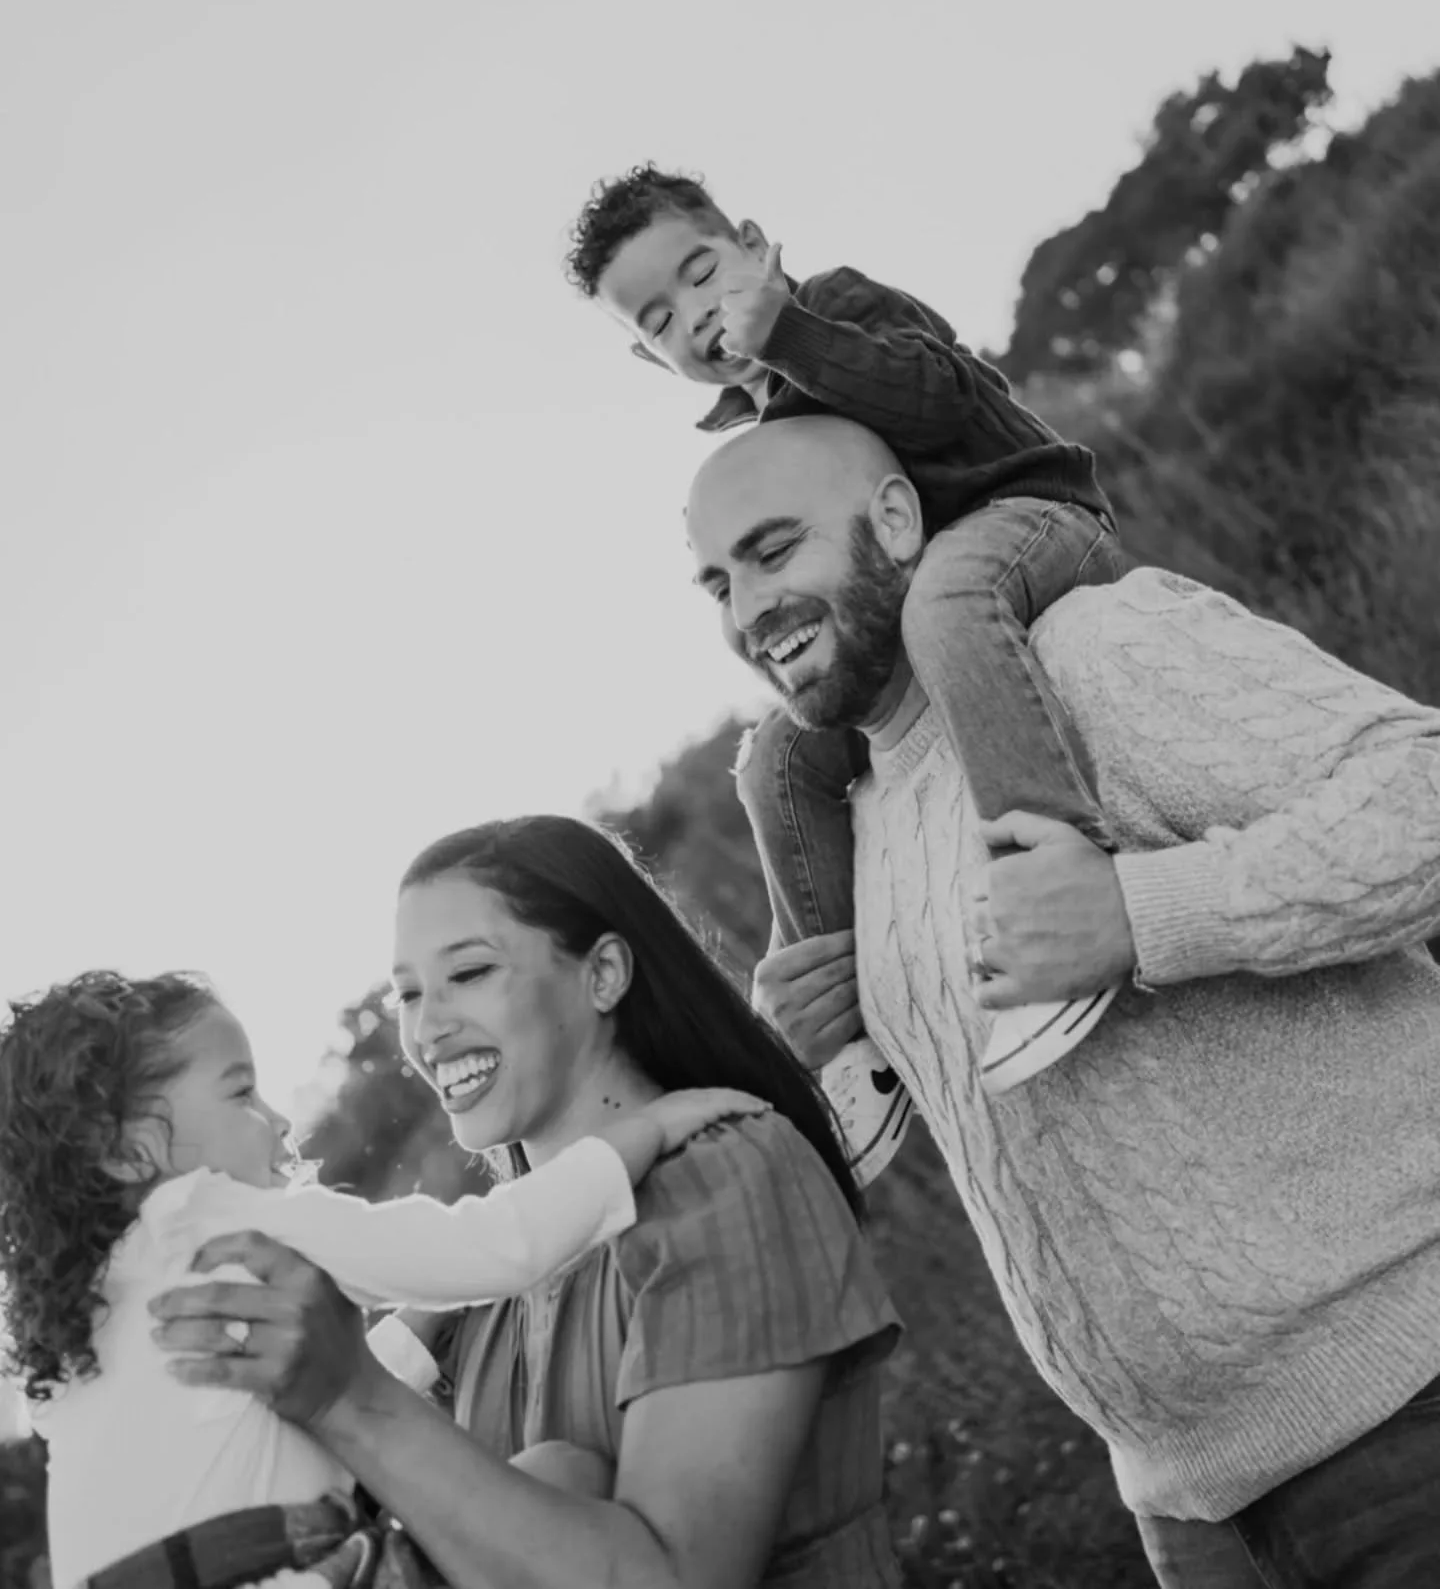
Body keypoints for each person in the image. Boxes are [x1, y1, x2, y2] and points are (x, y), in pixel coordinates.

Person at [684, 414, 1440, 1589]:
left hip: (1406, 1409)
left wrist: (1142, 913)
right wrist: (802, 1061)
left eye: (776, 552)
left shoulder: (1091, 652)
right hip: (1182, 1504)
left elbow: (1422, 797)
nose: (747, 612)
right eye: (717, 583)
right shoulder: (857, 822)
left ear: (894, 520)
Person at [145, 816, 904, 1589]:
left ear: (603, 974)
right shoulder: (478, 1287)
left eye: (468, 974)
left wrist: (349, 1395)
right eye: (408, 993)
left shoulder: (730, 1177)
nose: (427, 1029)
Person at [566, 165, 1127, 1141]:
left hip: (1032, 519)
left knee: (945, 611)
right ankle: (849, 1042)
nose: (694, 317)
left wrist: (789, 332)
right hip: (918, 597)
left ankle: (1052, 883)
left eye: (701, 274)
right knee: (776, 760)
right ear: (651, 363)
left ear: (749, 239)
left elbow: (939, 401)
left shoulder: (837, 307)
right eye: (657, 321)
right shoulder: (751, 432)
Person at [0, 968, 763, 1589]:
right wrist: (649, 1130)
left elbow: (248, 1422)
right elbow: (495, 1245)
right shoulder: (210, 1212)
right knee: (564, 1470)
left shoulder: (73, 1336)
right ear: (129, 1152)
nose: (277, 1120)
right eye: (241, 1093)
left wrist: (418, 1337)